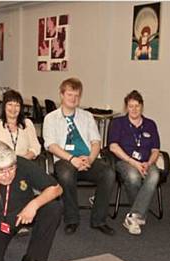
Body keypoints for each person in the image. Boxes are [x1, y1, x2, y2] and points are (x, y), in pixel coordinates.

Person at [43, 78, 116, 236]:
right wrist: (72, 159)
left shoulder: (87, 116)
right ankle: (72, 219)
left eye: (77, 95)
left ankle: (99, 220)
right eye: (70, 95)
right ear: (62, 95)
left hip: (87, 159)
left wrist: (90, 159)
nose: (73, 99)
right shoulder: (51, 118)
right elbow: (51, 145)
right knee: (67, 174)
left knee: (109, 173)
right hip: (65, 160)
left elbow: (96, 142)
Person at [108, 90, 160, 235]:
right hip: (124, 161)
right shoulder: (118, 123)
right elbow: (113, 146)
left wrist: (149, 163)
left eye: (137, 106)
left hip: (146, 162)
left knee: (154, 175)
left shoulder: (150, 124)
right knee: (133, 177)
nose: (134, 109)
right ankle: (139, 213)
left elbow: (155, 150)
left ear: (142, 106)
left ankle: (133, 216)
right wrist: (133, 162)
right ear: (126, 107)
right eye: (131, 106)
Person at [0, 90, 41, 161]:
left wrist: (24, 159)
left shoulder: (27, 124)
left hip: (23, 164)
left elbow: (36, 147)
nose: (13, 109)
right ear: (4, 107)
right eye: (10, 104)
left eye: (17, 105)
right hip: (0, 165)